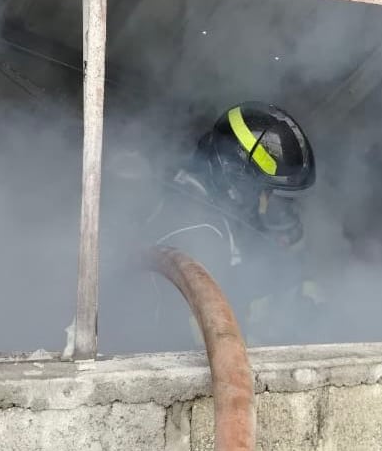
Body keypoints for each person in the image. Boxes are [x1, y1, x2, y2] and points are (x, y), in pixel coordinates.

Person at [102, 101, 323, 351]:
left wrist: (287, 285)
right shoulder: (198, 232)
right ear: (237, 186)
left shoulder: (191, 197)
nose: (267, 201)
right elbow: (196, 343)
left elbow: (230, 280)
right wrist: (273, 347)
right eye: (266, 191)